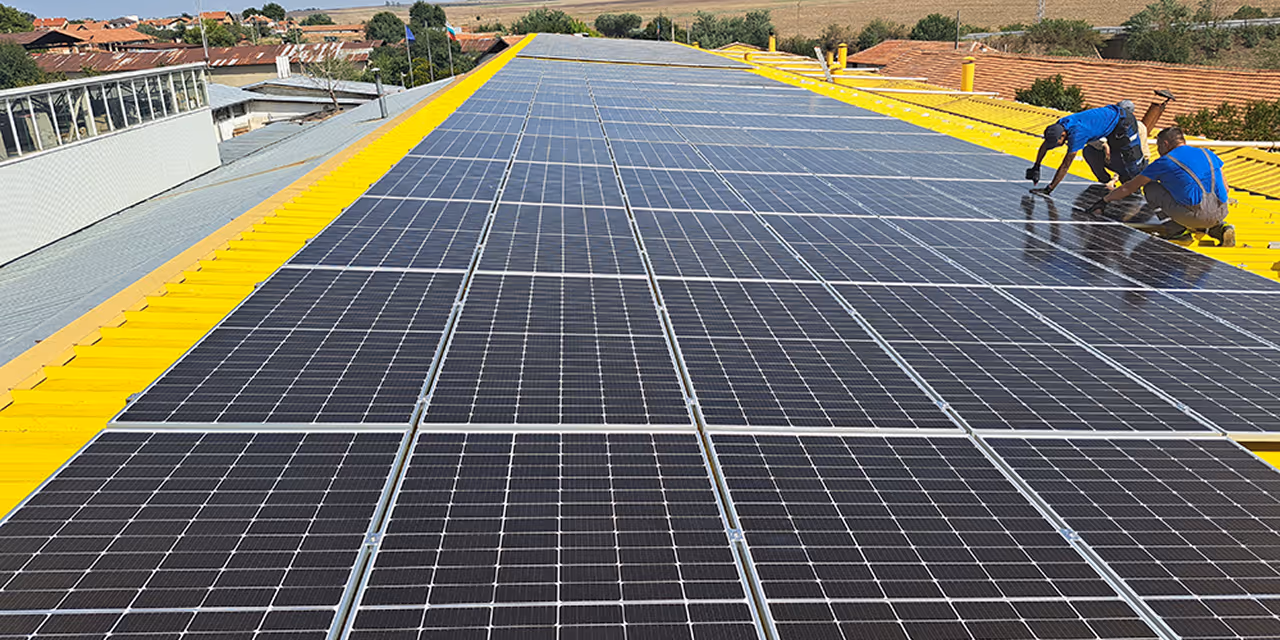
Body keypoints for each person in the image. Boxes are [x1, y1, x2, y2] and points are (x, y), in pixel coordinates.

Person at [1083, 127, 1235, 246]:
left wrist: (1105, 200)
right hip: (1221, 211)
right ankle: (1220, 228)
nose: (1158, 150)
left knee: (1150, 188)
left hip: (1194, 215)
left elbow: (1129, 187)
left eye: (1159, 146)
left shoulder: (1165, 162)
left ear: (1165, 144)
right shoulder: (1208, 154)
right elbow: (1226, 188)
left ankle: (1178, 232)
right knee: (1199, 203)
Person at [1024, 101, 1148, 196]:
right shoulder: (1060, 124)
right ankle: (1120, 183)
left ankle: (1141, 191)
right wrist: (1036, 167)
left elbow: (1065, 165)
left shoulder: (1077, 133)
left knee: (1131, 160)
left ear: (1063, 135)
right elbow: (1046, 144)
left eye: (1057, 143)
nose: (1056, 146)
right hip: (1112, 119)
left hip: (1124, 122)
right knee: (1108, 156)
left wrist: (1049, 189)